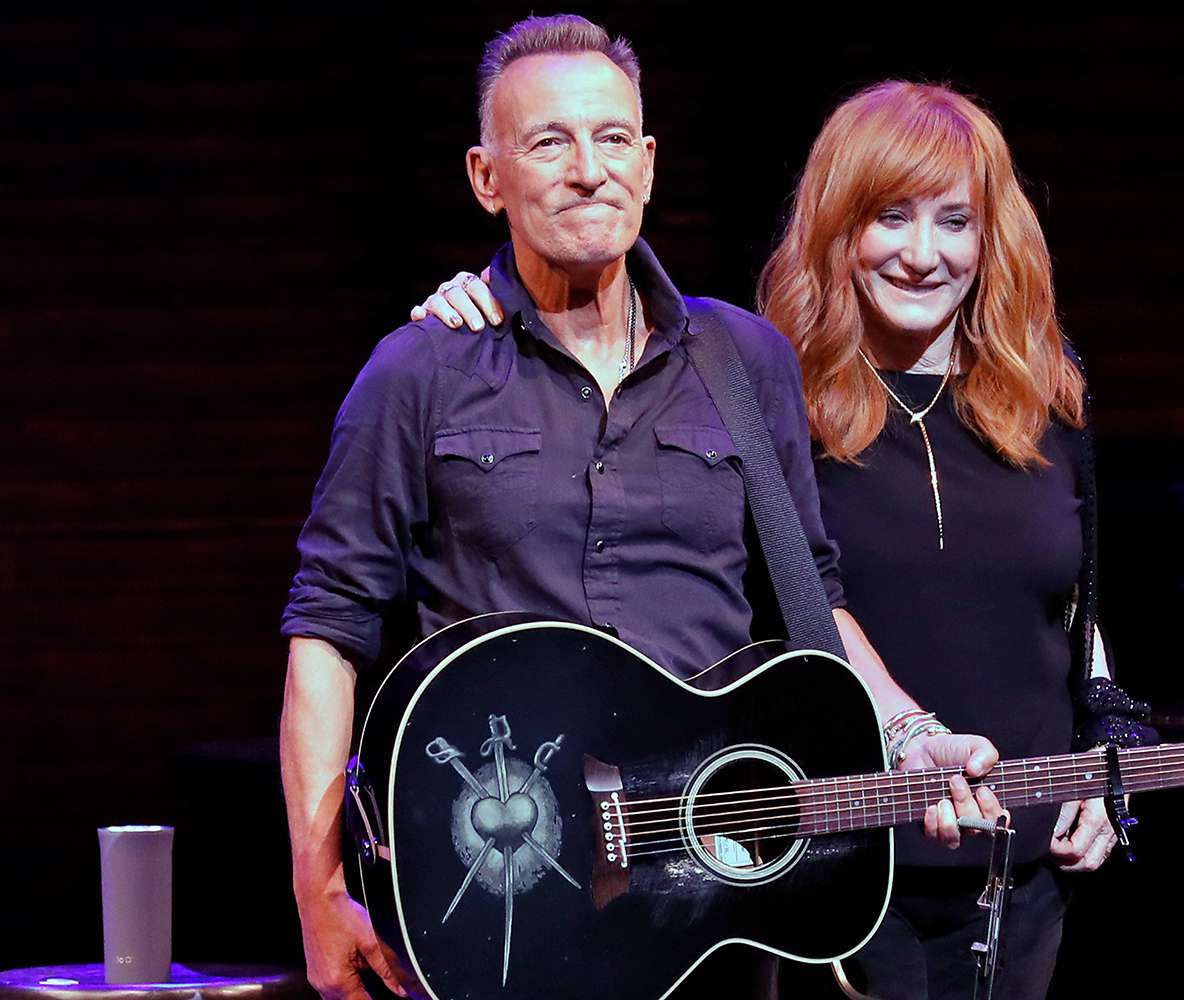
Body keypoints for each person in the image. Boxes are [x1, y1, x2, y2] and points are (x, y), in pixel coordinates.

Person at [280, 16, 1004, 1000]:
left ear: (650, 162)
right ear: (488, 178)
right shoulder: (419, 371)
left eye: (614, 138)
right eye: (550, 142)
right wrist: (318, 887)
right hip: (503, 885)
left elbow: (810, 602)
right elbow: (327, 630)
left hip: (711, 894)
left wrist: (919, 736)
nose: (590, 169)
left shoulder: (745, 362)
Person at [417, 80, 1159, 1000]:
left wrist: (1105, 747)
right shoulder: (761, 386)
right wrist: (476, 295)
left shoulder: (1046, 396)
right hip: (838, 869)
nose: (924, 255)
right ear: (838, 229)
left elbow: (1076, 606)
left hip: (1021, 869)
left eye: (955, 221)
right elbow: (785, 598)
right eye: (890, 217)